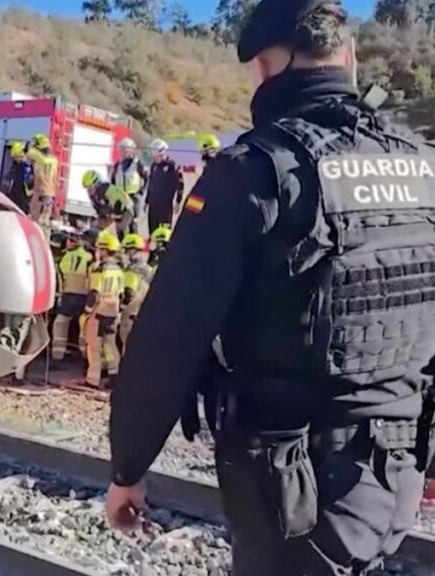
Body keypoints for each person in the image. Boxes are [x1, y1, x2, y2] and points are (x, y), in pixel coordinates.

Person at [105, 2, 435, 575]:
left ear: (264, 66)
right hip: (396, 475)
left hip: (292, 486)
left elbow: (169, 337)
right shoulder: (423, 168)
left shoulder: (253, 171)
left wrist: (127, 470)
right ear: (349, 57)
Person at [82, 230, 124, 388]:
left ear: (105, 250)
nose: (98, 251)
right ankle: (115, 376)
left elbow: (94, 292)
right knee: (111, 345)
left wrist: (87, 311)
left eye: (100, 249)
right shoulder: (119, 270)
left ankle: (92, 380)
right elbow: (121, 294)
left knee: (94, 347)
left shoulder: (100, 269)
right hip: (113, 312)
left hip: (98, 312)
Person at [51, 232, 94, 361]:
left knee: (60, 324)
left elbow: (59, 278)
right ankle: (86, 357)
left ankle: (57, 356)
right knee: (83, 327)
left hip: (68, 295)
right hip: (85, 296)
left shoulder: (63, 256)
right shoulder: (89, 257)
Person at [118, 233, 153, 355]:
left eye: (126, 250)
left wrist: (120, 309)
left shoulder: (132, 270)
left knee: (126, 343)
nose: (124, 253)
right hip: (142, 311)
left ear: (133, 251)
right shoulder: (149, 269)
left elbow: (129, 292)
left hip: (130, 313)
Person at [110, 138, 149, 234]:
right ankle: (121, 241)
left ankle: (133, 241)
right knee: (119, 223)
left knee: (132, 223)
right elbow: (113, 181)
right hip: (120, 197)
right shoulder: (118, 165)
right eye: (122, 150)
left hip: (133, 196)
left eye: (126, 150)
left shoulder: (138, 164)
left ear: (132, 150)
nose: (124, 153)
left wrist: (141, 192)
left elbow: (147, 179)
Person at [146, 139, 185, 233]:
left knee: (165, 232)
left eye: (157, 157)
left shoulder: (173, 166)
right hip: (153, 205)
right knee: (153, 232)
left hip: (165, 206)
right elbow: (151, 184)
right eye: (154, 157)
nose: (155, 159)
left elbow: (180, 185)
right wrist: (147, 201)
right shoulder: (154, 166)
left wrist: (178, 202)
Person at [27, 133, 58, 235]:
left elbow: (28, 152)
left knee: (35, 222)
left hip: (40, 194)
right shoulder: (54, 160)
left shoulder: (38, 157)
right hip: (50, 195)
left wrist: (31, 145)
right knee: (45, 223)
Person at [6, 140, 33, 213]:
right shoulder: (18, 167)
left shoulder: (24, 167)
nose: (15, 160)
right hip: (18, 196)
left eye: (16, 157)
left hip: (22, 197)